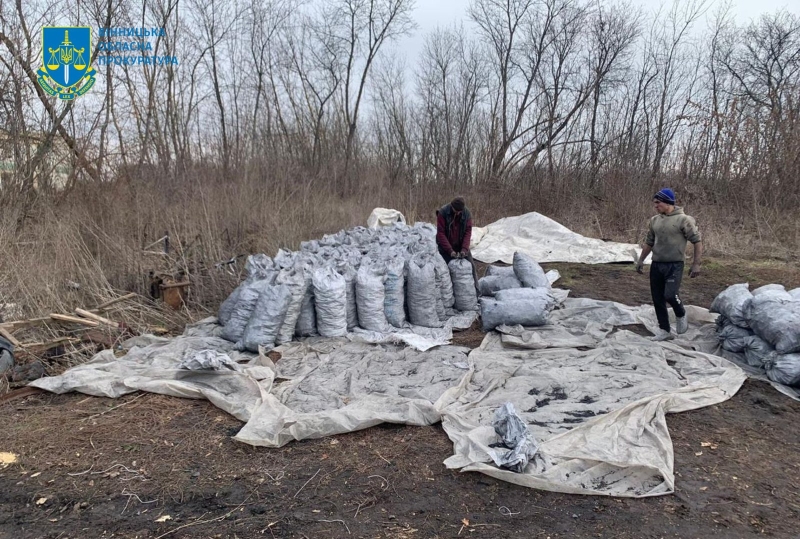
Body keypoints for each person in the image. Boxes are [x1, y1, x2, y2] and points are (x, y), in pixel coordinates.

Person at [636, 188, 703, 341]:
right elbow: (649, 242)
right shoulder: (655, 220)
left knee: (670, 295)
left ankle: (680, 313)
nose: (655, 205)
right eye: (655, 203)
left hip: (675, 264)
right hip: (657, 264)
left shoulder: (684, 220)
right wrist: (641, 260)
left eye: (658, 202)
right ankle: (664, 331)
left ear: (668, 202)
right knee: (657, 298)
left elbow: (697, 242)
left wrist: (696, 264)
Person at [436, 197, 478, 288]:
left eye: (460, 211)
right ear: (451, 206)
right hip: (445, 246)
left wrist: (464, 249)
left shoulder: (466, 214)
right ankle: (448, 294)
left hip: (460, 244)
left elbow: (468, 232)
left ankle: (476, 293)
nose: (458, 213)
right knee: (444, 270)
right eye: (456, 211)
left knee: (472, 267)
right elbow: (441, 234)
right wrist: (450, 251)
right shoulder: (443, 213)